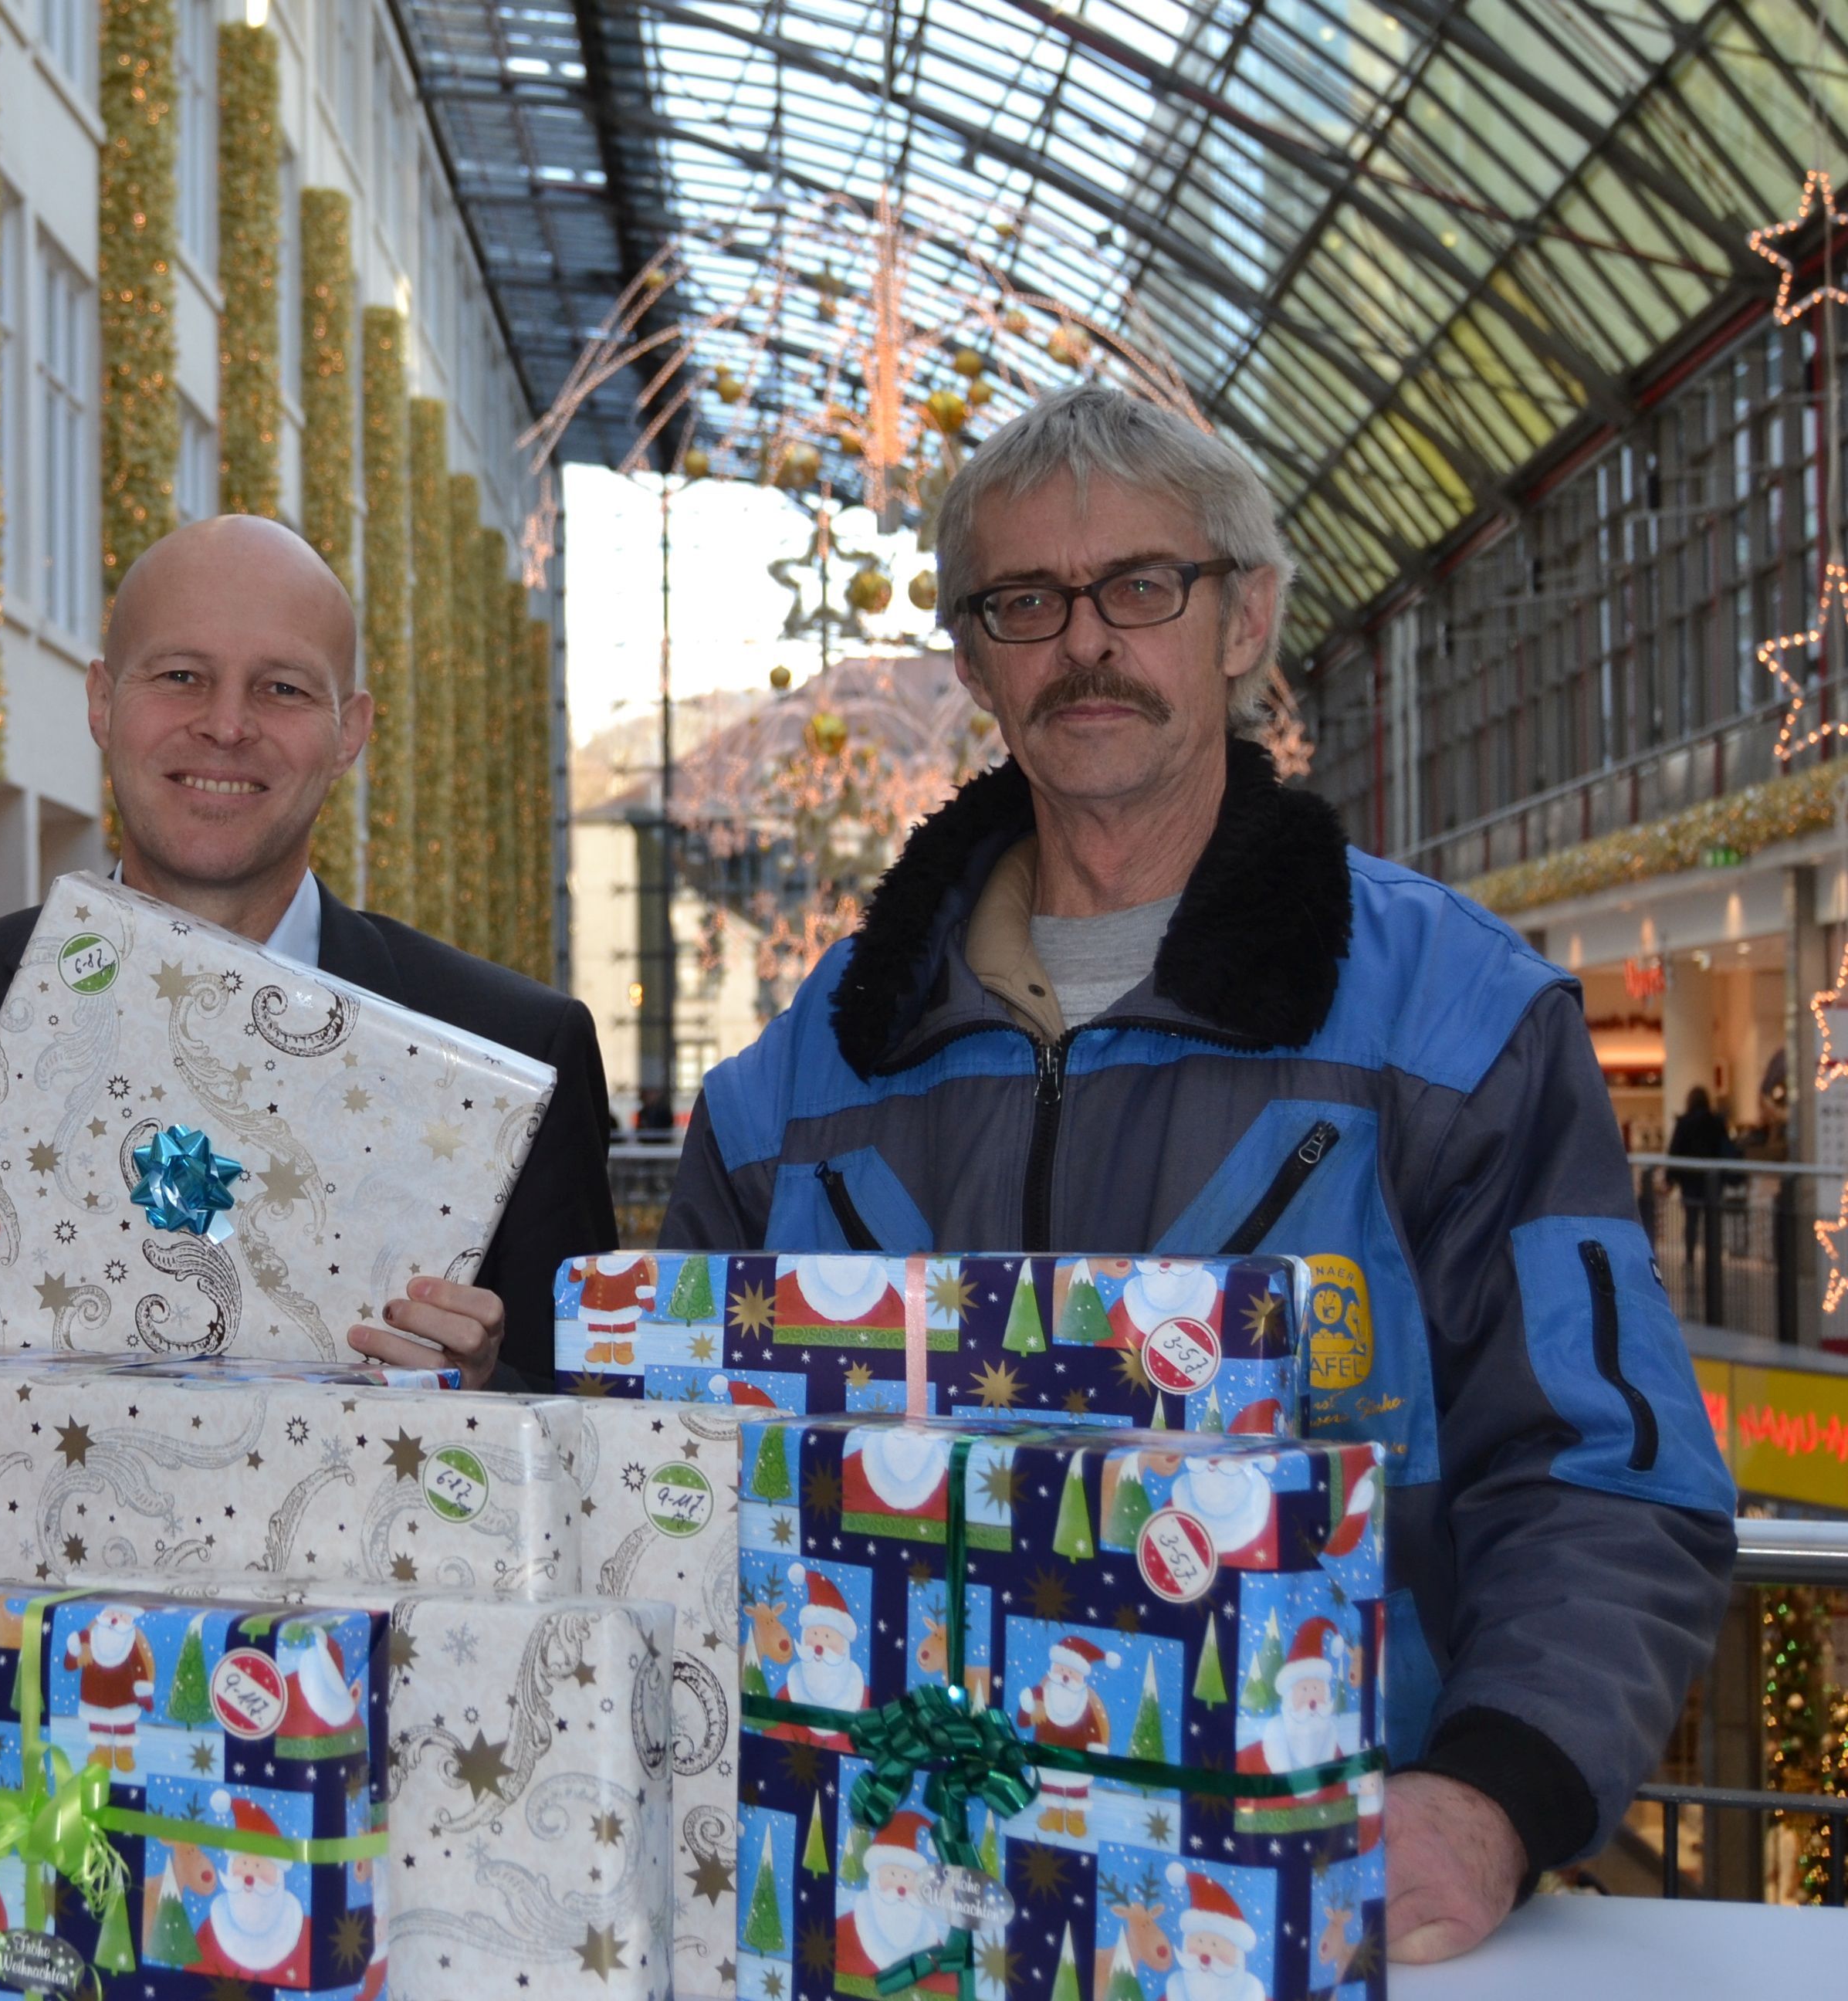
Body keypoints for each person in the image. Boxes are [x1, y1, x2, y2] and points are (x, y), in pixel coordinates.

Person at [660, 387, 1734, 1963]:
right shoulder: (797, 1082)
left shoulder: (1451, 1018)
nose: (1086, 642)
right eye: (1027, 602)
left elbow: (1601, 1464)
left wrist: (1498, 1791)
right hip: (887, 1902)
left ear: (1249, 621)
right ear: (975, 661)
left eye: (1145, 587)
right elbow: (668, 1475)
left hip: (1310, 1896)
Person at [0, 516, 617, 1390]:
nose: (227, 725)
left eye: (283, 689)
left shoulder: (516, 1058)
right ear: (101, 702)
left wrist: (487, 1390)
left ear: (351, 732)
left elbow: (591, 1435)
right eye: (181, 676)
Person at [1662, 1085, 1731, 1269]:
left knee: (1691, 1221)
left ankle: (1690, 1257)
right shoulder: (1716, 1122)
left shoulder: (1684, 1122)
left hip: (1690, 1181)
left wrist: (1669, 1180)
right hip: (1713, 1180)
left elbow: (1675, 1151)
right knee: (1712, 1221)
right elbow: (1725, 1149)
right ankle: (1713, 1259)